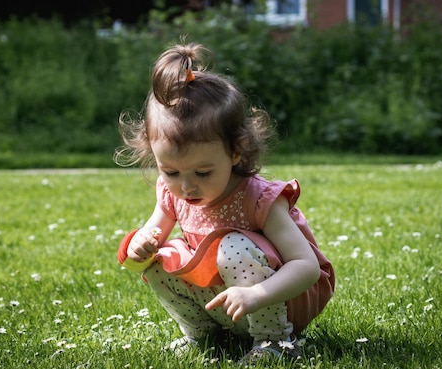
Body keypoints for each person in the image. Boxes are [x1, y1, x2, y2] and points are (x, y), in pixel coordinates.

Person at [115, 41, 335, 365]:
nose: (187, 186)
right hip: (225, 301)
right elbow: (140, 258)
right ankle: (204, 335)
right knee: (161, 257)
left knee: (233, 246)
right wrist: (137, 250)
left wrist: (257, 294)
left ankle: (275, 342)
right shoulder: (171, 193)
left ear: (235, 152)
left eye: (203, 172)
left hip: (282, 297)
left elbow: (307, 268)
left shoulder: (257, 198)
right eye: (171, 171)